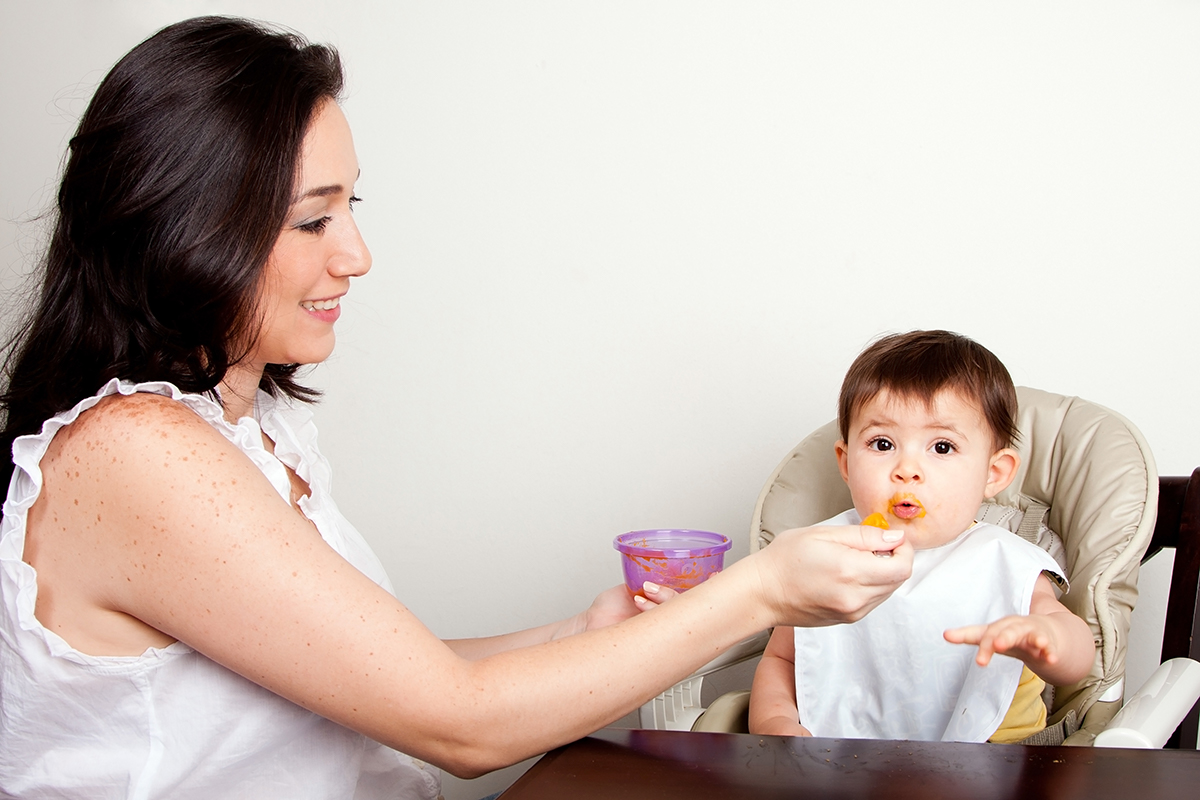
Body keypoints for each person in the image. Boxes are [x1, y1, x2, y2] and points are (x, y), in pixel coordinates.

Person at [0, 16, 914, 798]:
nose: (355, 254)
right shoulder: (134, 452)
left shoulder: (250, 431)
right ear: (183, 225)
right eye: (313, 219)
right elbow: (461, 728)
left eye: (349, 206)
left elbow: (376, 681)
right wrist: (764, 590)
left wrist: (578, 635)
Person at [748, 330, 1094, 743]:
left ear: (993, 474)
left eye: (942, 447)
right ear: (845, 463)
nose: (907, 469)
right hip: (834, 765)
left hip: (991, 766)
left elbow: (1077, 655)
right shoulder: (822, 553)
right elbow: (785, 659)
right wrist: (776, 724)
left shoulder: (1008, 560)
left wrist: (1047, 638)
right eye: (882, 443)